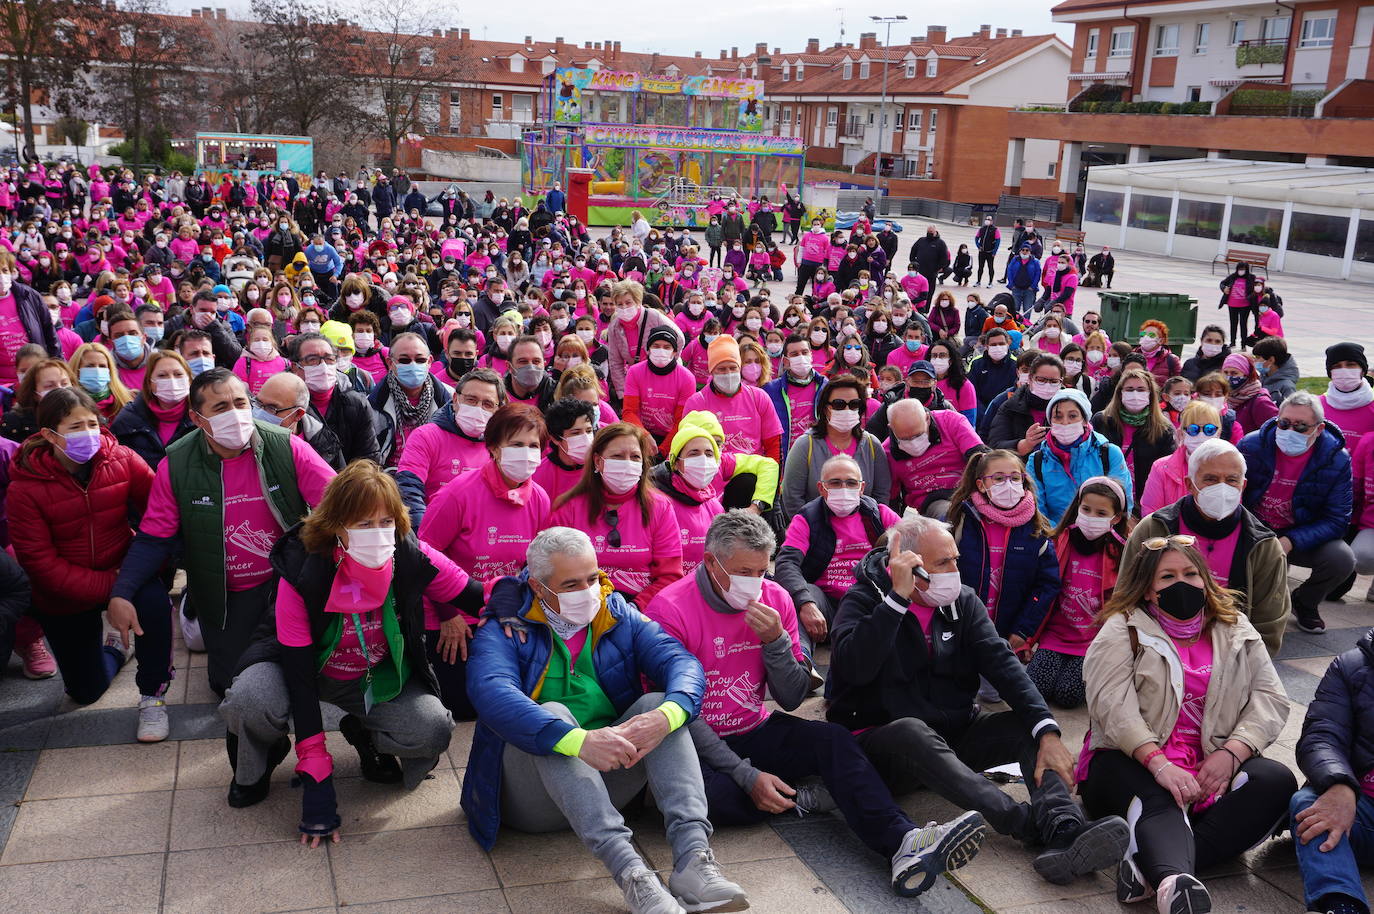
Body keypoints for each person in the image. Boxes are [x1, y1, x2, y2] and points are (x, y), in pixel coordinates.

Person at [463, 527, 750, 914]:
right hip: (529, 797)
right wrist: (578, 741)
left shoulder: (615, 612)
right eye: (571, 584)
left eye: (592, 578)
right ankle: (633, 874)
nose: (589, 591)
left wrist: (669, 714)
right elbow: (492, 695)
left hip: (606, 777)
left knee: (657, 705)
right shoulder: (503, 630)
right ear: (537, 586)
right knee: (552, 717)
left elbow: (680, 662)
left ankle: (693, 862)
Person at [829, 512, 1127, 885]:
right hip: (884, 746)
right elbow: (853, 668)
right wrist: (896, 601)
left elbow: (1005, 667)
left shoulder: (962, 602)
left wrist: (1048, 733)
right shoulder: (864, 601)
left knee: (1027, 726)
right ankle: (1027, 824)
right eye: (943, 563)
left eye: (955, 558)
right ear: (908, 565)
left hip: (952, 734)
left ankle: (1063, 825)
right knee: (911, 731)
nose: (955, 569)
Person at [220, 462, 475, 823]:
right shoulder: (302, 566)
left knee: (431, 727)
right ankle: (262, 753)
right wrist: (315, 769)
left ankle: (366, 734)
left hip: (372, 673)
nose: (378, 533)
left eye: (386, 521)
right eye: (363, 523)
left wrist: (532, 592)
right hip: (300, 668)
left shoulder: (408, 552)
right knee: (250, 700)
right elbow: (299, 674)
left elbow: (473, 595)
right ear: (336, 526)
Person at [1079, 536, 1295, 913]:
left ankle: (1152, 867)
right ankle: (1172, 885)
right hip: (1129, 760)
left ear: (1206, 579)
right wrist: (1159, 764)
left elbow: (1270, 697)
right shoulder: (1123, 629)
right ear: (1148, 589)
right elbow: (1113, 707)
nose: (1183, 583)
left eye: (1191, 573)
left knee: (1276, 781)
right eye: (1167, 577)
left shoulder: (1235, 627)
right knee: (1162, 794)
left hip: (1210, 758)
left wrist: (1232, 753)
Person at [106, 368, 335, 715]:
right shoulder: (177, 464)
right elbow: (154, 536)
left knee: (301, 677)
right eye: (220, 407)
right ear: (197, 419)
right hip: (225, 594)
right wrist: (121, 593)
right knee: (228, 686)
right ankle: (193, 612)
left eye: (241, 402)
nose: (236, 414)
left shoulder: (286, 446)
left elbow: (341, 502)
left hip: (284, 585)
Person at [8, 388, 174, 740]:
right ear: (50, 435)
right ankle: (114, 649)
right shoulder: (25, 487)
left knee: (155, 604)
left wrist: (132, 578)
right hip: (65, 593)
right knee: (85, 692)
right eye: (74, 427)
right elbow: (40, 564)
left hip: (123, 567)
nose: (88, 433)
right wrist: (115, 589)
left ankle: (152, 697)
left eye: (91, 424)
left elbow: (160, 513)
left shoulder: (123, 459)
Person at [416, 404, 551, 717]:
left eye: (533, 446)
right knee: (463, 708)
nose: (526, 453)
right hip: (452, 614)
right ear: (493, 447)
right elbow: (423, 557)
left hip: (506, 611)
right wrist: (448, 615)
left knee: (515, 700)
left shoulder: (540, 499)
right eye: (516, 444)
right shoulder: (458, 493)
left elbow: (537, 564)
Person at [1238, 392, 1354, 634]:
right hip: (1255, 526)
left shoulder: (1337, 460)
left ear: (1319, 429)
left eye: (1301, 426)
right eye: (1284, 423)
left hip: (1301, 532)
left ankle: (1306, 601)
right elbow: (1235, 496)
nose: (1290, 431)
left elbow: (1337, 520)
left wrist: (1291, 540)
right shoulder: (1251, 445)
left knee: (1341, 559)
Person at [550, 423, 683, 610]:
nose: (627, 463)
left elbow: (670, 575)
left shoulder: (660, 507)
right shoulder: (568, 508)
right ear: (598, 461)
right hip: (583, 609)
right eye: (617, 456)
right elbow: (554, 570)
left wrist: (635, 609)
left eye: (635, 457)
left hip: (641, 611)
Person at [775, 454, 902, 647]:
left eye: (851, 483)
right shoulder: (807, 519)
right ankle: (803, 663)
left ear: (861, 488)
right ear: (821, 488)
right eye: (835, 483)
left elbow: (914, 547)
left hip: (872, 600)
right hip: (827, 604)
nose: (844, 489)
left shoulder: (880, 514)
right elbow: (786, 563)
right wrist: (805, 602)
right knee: (797, 600)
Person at [1290, 627, 1374, 914]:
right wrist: (1341, 786)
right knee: (1310, 805)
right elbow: (1322, 735)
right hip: (1365, 813)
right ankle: (1341, 904)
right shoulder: (1353, 666)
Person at [948, 450, 1061, 659]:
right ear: (981, 485)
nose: (1008, 484)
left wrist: (1023, 630)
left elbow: (1047, 585)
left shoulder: (1037, 530)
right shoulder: (963, 522)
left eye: (1015, 478)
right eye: (999, 478)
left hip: (1008, 636)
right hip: (962, 631)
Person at [1029, 476, 1130, 707]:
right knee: (1037, 688)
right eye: (1086, 509)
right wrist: (1028, 637)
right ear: (1077, 508)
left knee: (1068, 696)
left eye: (1101, 513)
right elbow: (1041, 589)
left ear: (1115, 518)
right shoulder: (1059, 541)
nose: (1091, 517)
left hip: (1091, 641)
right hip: (1055, 635)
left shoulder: (1122, 552)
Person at [681, 336, 783, 495]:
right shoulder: (697, 402)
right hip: (712, 480)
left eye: (733, 368)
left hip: (753, 478)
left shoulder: (759, 397)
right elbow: (687, 448)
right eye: (721, 369)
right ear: (712, 371)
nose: (728, 374)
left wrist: (773, 485)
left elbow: (774, 446)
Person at [780, 372, 890, 518]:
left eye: (854, 404)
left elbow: (881, 494)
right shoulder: (805, 445)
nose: (847, 410)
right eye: (839, 404)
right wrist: (809, 529)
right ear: (826, 408)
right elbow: (792, 497)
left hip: (862, 532)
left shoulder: (872, 445)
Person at [1029, 388, 1132, 526]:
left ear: (1084, 420)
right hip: (1055, 537)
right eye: (1058, 417)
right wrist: (1059, 534)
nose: (1065, 422)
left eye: (1072, 416)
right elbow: (1037, 510)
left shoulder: (1109, 453)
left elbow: (1123, 502)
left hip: (1102, 533)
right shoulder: (1037, 460)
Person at [885, 398, 986, 521]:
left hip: (968, 488)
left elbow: (981, 457)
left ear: (927, 419)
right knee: (953, 516)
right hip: (933, 501)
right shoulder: (887, 452)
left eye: (918, 435)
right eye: (905, 439)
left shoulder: (950, 420)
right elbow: (891, 500)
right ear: (891, 428)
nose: (913, 442)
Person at [288, 332, 381, 466]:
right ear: (296, 367)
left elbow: (369, 457)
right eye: (312, 359)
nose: (323, 366)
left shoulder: (356, 404)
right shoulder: (284, 404)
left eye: (329, 359)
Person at [1092, 367, 1176, 512]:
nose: (1135, 394)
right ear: (1120, 393)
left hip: (1145, 502)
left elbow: (1166, 472)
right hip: (1105, 500)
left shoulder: (1163, 429)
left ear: (1150, 395)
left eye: (1141, 389)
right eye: (1130, 389)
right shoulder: (1102, 421)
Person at [649, 423, 725, 574]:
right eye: (694, 453)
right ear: (676, 463)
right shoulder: (657, 502)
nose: (702, 460)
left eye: (709, 454)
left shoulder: (715, 506)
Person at [368, 331, 452, 467]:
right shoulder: (373, 404)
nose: (413, 365)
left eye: (420, 360)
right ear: (390, 362)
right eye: (404, 360)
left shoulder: (448, 399)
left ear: (429, 361)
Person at [1138, 400, 1227, 517]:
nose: (1201, 434)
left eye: (1209, 429)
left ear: (1218, 433)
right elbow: (1151, 514)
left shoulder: (1230, 468)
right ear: (1181, 434)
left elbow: (1230, 512)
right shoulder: (1161, 468)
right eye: (1193, 429)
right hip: (1170, 534)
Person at [110, 350, 196, 469]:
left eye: (178, 374)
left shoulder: (202, 417)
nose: (171, 380)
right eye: (162, 375)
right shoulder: (128, 420)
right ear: (150, 384)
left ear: (189, 380)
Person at [605, 279, 683, 402]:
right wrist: (623, 393)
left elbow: (679, 338)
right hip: (639, 375)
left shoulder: (654, 316)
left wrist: (668, 360)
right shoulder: (614, 327)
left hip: (665, 371)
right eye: (619, 304)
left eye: (628, 302)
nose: (624, 307)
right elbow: (615, 362)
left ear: (637, 301)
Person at [622, 326, 694, 445]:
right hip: (641, 432)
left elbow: (681, 421)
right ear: (648, 349)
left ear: (674, 352)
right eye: (656, 346)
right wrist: (645, 437)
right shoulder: (634, 372)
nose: (661, 351)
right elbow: (629, 412)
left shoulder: (687, 378)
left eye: (667, 347)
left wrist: (663, 450)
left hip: (673, 436)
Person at [988, 353, 1066, 455]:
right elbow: (995, 445)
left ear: (1061, 381)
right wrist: (1025, 444)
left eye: (1054, 381)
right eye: (1041, 380)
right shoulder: (1011, 406)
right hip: (1022, 468)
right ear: (1030, 378)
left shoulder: (1071, 405)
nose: (1047, 385)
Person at [1320, 342, 1374, 453]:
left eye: (1350, 364)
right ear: (1330, 373)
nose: (1344, 370)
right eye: (1337, 366)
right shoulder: (1316, 406)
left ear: (1363, 370)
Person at [1222, 351, 1277, 435]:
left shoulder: (1260, 402)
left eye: (1234, 373)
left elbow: (1274, 432)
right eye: (1226, 373)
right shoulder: (1226, 397)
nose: (1229, 377)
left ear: (1246, 374)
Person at [968, 328, 1017, 418]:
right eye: (993, 344)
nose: (998, 347)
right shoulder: (977, 363)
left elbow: (1015, 393)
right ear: (987, 346)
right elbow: (971, 392)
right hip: (981, 414)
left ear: (1008, 344)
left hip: (1005, 414)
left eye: (1001, 344)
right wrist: (984, 414)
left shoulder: (1015, 365)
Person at [1219, 261, 1258, 349]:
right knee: (1233, 323)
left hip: (1245, 305)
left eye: (1243, 269)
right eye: (1239, 269)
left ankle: (1243, 344)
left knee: (1243, 324)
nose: (1241, 271)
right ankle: (1232, 342)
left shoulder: (1251, 278)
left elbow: (1255, 290)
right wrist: (1224, 288)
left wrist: (1249, 297)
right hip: (1232, 304)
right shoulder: (1233, 276)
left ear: (1247, 270)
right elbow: (1222, 283)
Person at [1252, 335, 1299, 406]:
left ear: (1271, 360)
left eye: (1258, 358)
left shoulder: (1287, 388)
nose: (1254, 361)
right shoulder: (1261, 379)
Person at [1004, 243, 1041, 319]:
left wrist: (1032, 287)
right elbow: (1009, 270)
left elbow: (1038, 274)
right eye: (1023, 250)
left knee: (1027, 310)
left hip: (1029, 290)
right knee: (1015, 309)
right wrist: (1011, 284)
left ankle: (1026, 326)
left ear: (1030, 252)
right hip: (1016, 288)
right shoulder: (1015, 259)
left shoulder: (1035, 261)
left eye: (1027, 250)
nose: (1024, 252)